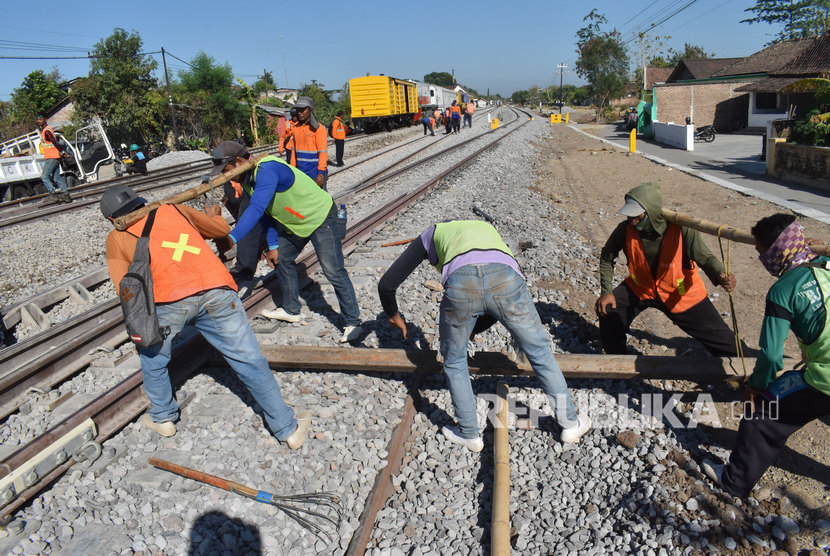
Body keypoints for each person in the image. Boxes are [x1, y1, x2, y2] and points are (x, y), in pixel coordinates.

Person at [100, 184, 310, 448]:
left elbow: (124, 287)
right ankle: (287, 428)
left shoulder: (115, 237)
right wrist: (214, 215)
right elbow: (222, 231)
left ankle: (163, 418)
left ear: (112, 218)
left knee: (153, 358)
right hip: (216, 290)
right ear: (140, 201)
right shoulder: (172, 208)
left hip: (167, 301)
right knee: (249, 359)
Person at [378, 220, 591, 452]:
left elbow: (387, 284)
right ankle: (570, 424)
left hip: (461, 286)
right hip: (506, 280)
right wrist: (475, 328)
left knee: (455, 360)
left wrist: (393, 314)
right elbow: (493, 304)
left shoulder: (430, 235)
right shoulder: (487, 229)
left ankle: (469, 434)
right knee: (540, 352)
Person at [703, 214, 830, 497]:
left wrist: (756, 386)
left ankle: (733, 481)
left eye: (762, 252)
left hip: (826, 376)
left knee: (762, 412)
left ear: (777, 251)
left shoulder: (783, 291)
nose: (762, 260)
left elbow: (772, 355)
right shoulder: (827, 264)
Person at [209, 141, 363, 343]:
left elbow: (255, 209)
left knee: (333, 269)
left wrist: (232, 238)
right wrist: (273, 246)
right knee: (282, 258)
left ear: (238, 161)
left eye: (225, 169)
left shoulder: (267, 169)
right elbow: (266, 214)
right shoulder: (247, 179)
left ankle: (353, 322)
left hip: (319, 216)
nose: (224, 175)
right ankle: (291, 310)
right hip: (296, 223)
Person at [596, 182, 740, 356]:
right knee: (608, 310)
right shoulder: (624, 230)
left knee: (724, 341)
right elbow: (607, 257)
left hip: (680, 294)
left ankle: (750, 370)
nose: (631, 220)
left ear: (651, 212)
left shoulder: (683, 230)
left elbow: (706, 257)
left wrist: (721, 274)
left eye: (636, 216)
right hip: (641, 288)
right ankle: (617, 358)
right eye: (628, 215)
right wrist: (606, 291)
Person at [287, 96, 328, 189]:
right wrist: (292, 170)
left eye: (303, 110)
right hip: (300, 173)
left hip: (315, 172)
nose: (300, 113)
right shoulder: (295, 128)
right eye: (298, 110)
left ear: (309, 110)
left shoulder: (319, 129)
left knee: (319, 200)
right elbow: (293, 152)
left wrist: (321, 173)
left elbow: (322, 153)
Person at [35, 115, 71, 203]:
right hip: (55, 157)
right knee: (57, 177)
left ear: (45, 119)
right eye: (37, 119)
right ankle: (66, 195)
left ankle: (52, 194)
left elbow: (54, 142)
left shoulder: (47, 131)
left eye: (41, 119)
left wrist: (62, 151)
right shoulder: (46, 130)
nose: (39, 121)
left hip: (52, 157)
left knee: (44, 176)